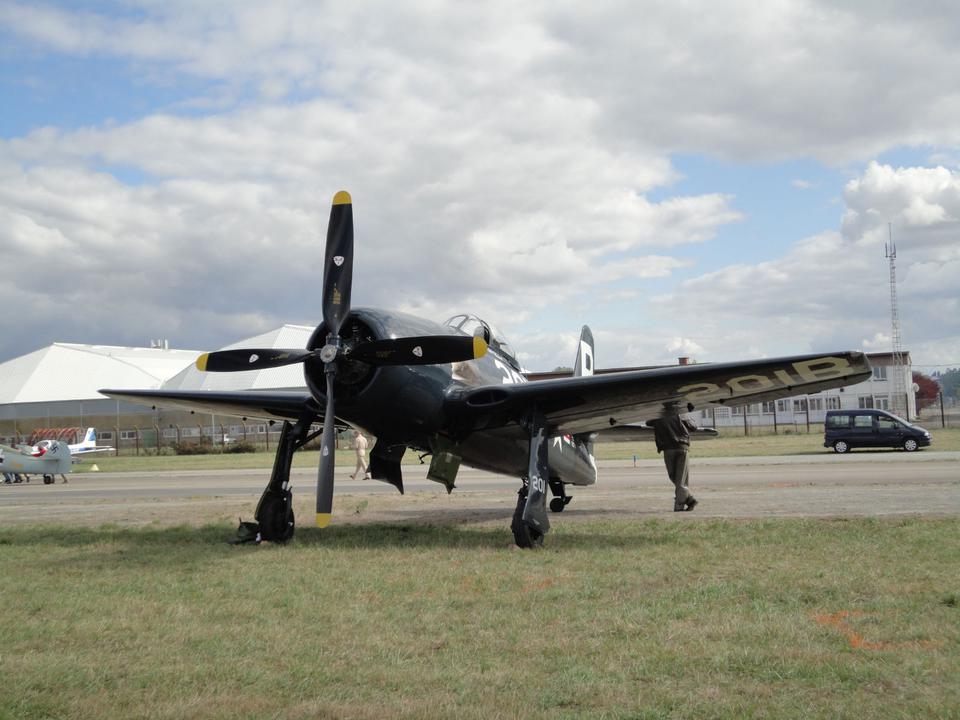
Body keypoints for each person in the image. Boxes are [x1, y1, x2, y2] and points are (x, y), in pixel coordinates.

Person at [647, 404, 699, 512]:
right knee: (679, 478)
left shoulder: (658, 416)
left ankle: (679, 506)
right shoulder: (682, 415)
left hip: (669, 448)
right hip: (681, 447)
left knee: (675, 477)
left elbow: (648, 422)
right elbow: (694, 427)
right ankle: (689, 499)